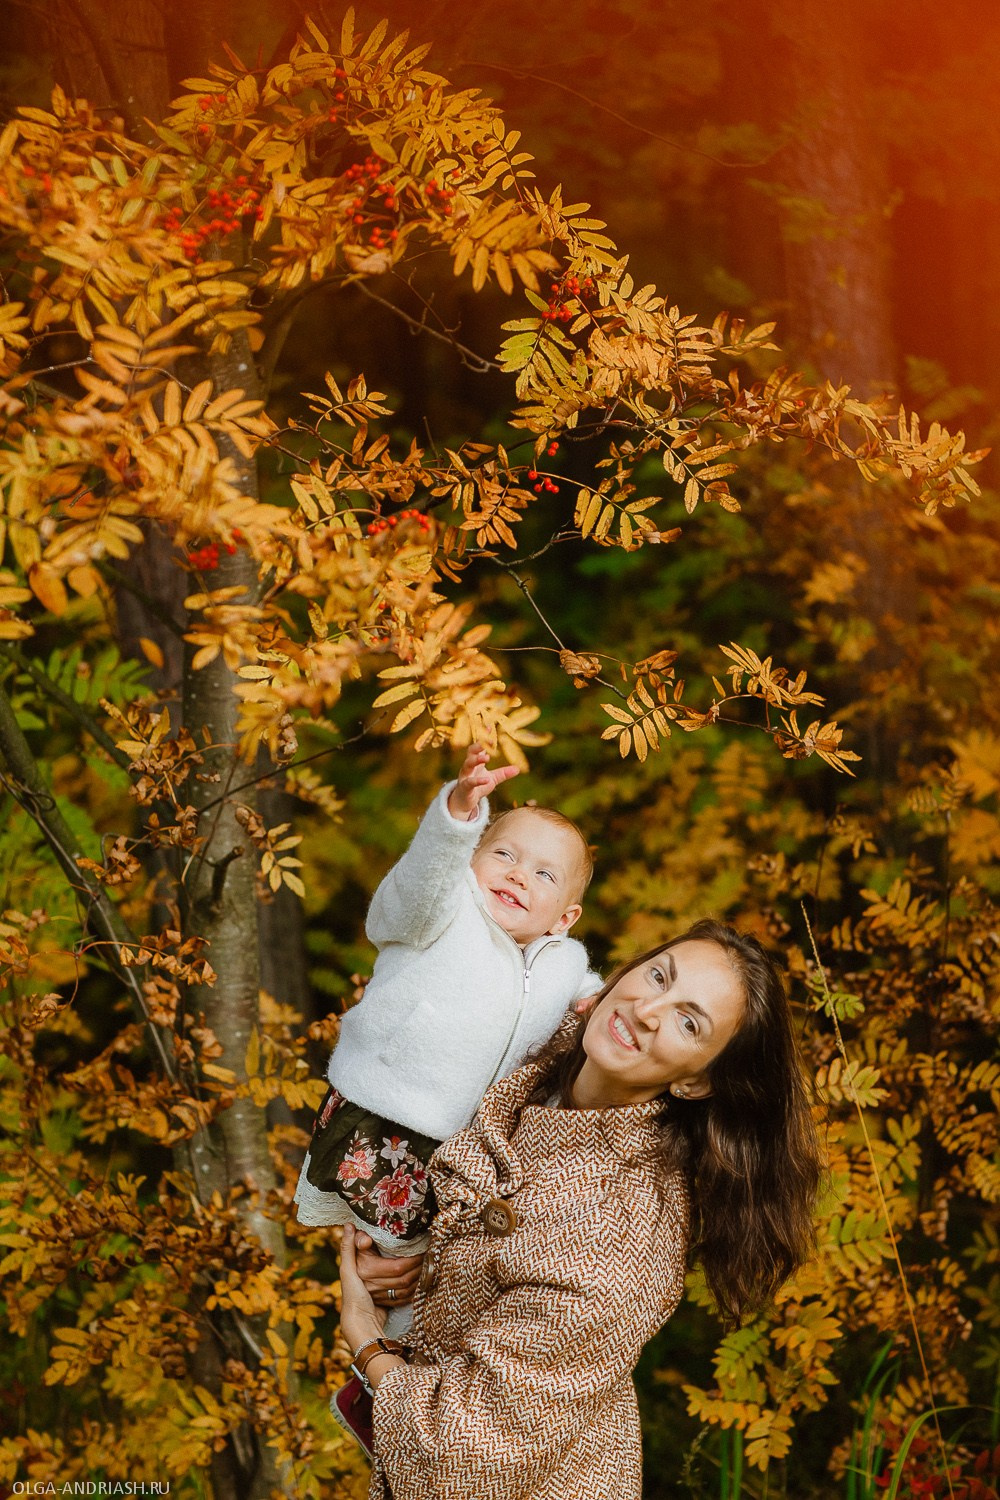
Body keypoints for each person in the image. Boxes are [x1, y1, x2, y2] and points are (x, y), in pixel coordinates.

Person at [338, 919, 822, 1500]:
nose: (648, 1009)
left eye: (688, 1022)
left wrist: (366, 1340)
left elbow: (461, 1456)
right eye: (658, 976)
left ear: (697, 1083)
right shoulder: (536, 1046)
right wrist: (415, 1260)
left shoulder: (618, 1244)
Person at [295, 743, 601, 1338]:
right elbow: (417, 885)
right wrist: (455, 821)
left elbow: (587, 990)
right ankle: (382, 1373)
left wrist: (593, 1001)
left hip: (468, 1149)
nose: (518, 874)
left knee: (442, 1273)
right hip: (388, 1116)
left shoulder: (562, 961)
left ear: (564, 918)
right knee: (392, 1263)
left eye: (544, 874)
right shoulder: (443, 908)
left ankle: (404, 1379)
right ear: (471, 860)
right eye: (504, 854)